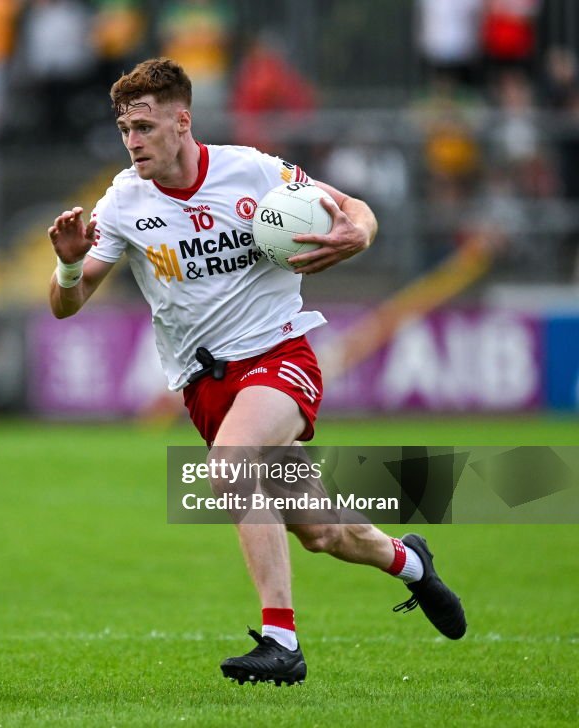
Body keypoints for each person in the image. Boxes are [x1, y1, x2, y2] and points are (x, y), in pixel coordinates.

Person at [47, 58, 466, 686]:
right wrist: (70, 268)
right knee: (323, 533)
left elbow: (352, 207)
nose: (132, 141)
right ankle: (410, 562)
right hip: (203, 385)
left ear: (181, 121)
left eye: (144, 126)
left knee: (228, 466)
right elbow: (65, 306)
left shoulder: (255, 170)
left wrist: (362, 235)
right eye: (124, 129)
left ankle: (281, 640)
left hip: (279, 354)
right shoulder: (123, 202)